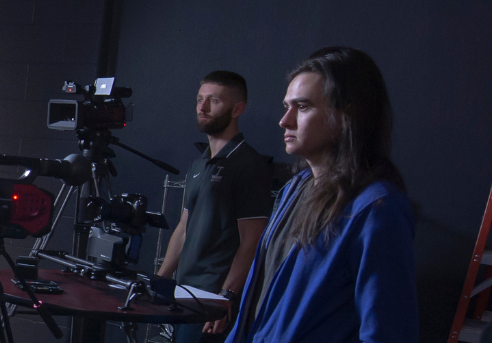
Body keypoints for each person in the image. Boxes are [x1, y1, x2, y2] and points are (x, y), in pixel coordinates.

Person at [225, 47, 416, 343]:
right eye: (286, 106)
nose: (285, 120)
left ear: (346, 115)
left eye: (302, 107)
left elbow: (388, 332)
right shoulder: (293, 190)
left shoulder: (377, 207)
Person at [157, 71, 275, 343]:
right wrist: (160, 281)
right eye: (200, 99)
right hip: (182, 293)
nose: (203, 107)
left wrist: (225, 298)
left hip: (213, 298)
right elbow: (184, 228)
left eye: (214, 100)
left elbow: (253, 240)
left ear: (238, 109)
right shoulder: (199, 164)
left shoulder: (249, 165)